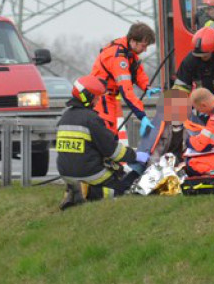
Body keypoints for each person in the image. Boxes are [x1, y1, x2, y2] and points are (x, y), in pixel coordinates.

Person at [56, 75, 148, 210]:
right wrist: (135, 156)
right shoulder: (91, 119)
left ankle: (74, 190)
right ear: (87, 97)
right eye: (96, 97)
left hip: (66, 174)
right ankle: (87, 193)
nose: (98, 100)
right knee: (122, 188)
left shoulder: (65, 117)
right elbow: (113, 151)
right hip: (90, 174)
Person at [90, 22, 158, 141]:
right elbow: (126, 91)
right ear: (133, 41)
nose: (145, 50)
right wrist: (142, 116)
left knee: (110, 138)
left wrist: (147, 86)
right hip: (101, 100)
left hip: (106, 98)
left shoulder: (128, 52)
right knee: (107, 139)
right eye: (143, 46)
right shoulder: (118, 57)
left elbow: (137, 72)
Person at [173, 26, 214, 102]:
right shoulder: (192, 59)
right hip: (204, 105)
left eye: (205, 56)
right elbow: (180, 86)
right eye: (198, 56)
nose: (200, 59)